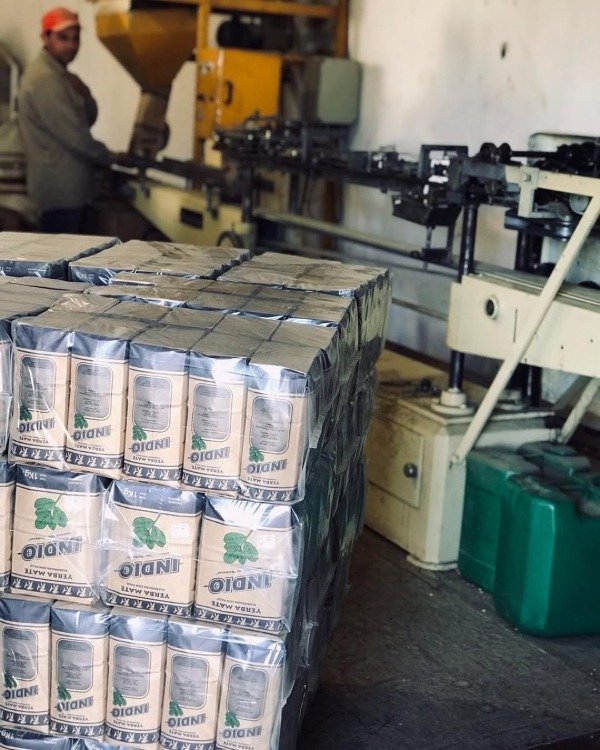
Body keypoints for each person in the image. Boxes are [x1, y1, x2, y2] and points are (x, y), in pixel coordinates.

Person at [18, 6, 130, 233]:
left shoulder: (60, 76)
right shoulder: (45, 79)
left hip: (68, 191)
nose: (71, 45)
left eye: (75, 38)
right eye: (63, 38)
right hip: (61, 194)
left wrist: (83, 91)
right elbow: (75, 136)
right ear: (45, 37)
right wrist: (113, 157)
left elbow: (88, 118)